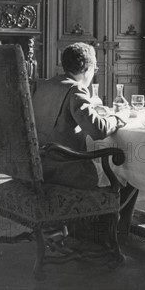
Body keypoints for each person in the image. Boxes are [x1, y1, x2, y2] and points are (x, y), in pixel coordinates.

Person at [33, 42, 129, 189]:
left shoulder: (45, 85)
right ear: (87, 68)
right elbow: (98, 130)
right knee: (129, 175)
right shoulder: (76, 89)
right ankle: (110, 211)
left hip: (40, 166)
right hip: (66, 170)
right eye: (95, 69)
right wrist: (119, 117)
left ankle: (104, 210)